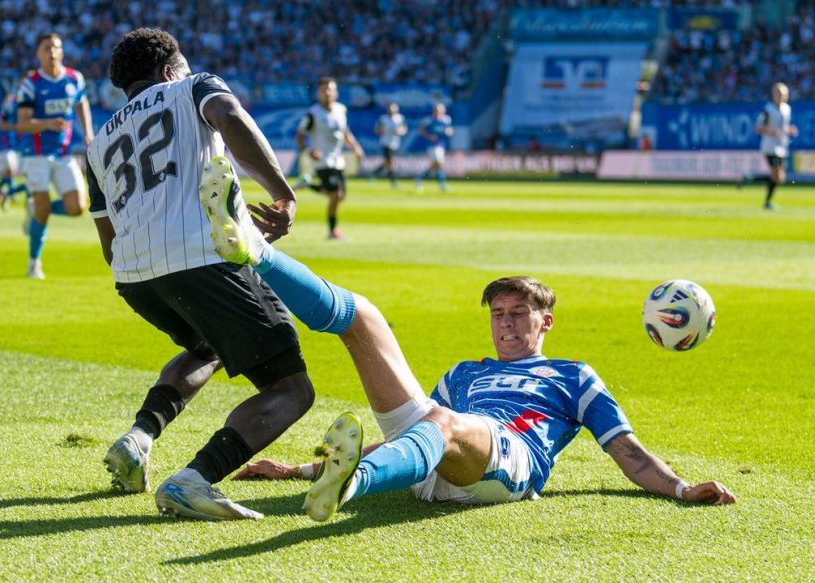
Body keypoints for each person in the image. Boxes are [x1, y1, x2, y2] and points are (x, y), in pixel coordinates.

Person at [198, 184, 737, 522]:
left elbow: (629, 453)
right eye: (498, 313)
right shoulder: (463, 372)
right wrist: (298, 469)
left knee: (443, 421)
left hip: (508, 463)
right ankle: (254, 249)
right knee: (364, 319)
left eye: (519, 313)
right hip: (443, 456)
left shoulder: (574, 376)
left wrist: (681, 488)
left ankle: (349, 486)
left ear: (546, 322)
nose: (506, 323)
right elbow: (418, 438)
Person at [87, 28, 316, 522]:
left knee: (207, 346)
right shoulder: (192, 87)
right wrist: (283, 193)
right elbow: (229, 116)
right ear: (170, 69)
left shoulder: (98, 143)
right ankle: (195, 479)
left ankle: (139, 437)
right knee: (290, 389)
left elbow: (109, 243)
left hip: (133, 275)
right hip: (201, 258)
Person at [15, 32, 94, 279]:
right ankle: (34, 263)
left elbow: (81, 103)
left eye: (56, 47)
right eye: (47, 48)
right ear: (38, 54)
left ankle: (37, 210)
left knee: (77, 207)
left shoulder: (74, 78)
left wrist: (88, 132)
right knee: (43, 208)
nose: (52, 52)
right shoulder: (31, 84)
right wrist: (48, 124)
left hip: (63, 154)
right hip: (35, 155)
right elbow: (22, 123)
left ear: (62, 52)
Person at [294, 77, 364, 239]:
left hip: (337, 159)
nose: (327, 92)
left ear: (336, 92)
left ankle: (307, 184)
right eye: (324, 90)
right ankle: (333, 231)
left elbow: (345, 132)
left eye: (330, 89)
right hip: (322, 159)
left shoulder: (341, 110)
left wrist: (356, 147)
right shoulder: (313, 114)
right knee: (335, 193)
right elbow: (299, 135)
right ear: (318, 94)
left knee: (340, 196)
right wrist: (309, 150)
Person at [0, 77, 29, 211]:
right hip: (5, 148)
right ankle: (9, 193)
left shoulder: (20, 113)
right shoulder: (0, 117)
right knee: (11, 171)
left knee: (10, 173)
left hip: (18, 148)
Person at [755, 82, 797, 211]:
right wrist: (771, 131)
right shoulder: (768, 110)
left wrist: (789, 129)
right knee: (776, 176)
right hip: (770, 147)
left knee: (780, 178)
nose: (781, 96)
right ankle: (767, 202)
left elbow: (782, 127)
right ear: (773, 94)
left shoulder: (787, 109)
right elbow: (758, 128)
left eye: (784, 94)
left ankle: (751, 178)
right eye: (779, 93)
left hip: (782, 146)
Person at [414, 102, 453, 193]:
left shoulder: (446, 120)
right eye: (436, 110)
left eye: (440, 110)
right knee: (439, 164)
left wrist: (449, 132)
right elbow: (421, 130)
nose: (438, 112)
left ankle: (420, 179)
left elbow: (449, 130)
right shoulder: (429, 120)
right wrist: (429, 136)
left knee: (436, 166)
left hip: (441, 145)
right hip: (432, 145)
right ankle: (442, 185)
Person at [372, 101, 407, 188]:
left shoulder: (399, 118)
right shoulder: (383, 118)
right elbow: (376, 130)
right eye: (390, 108)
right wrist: (381, 131)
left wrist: (400, 131)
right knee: (390, 163)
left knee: (387, 162)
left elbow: (404, 128)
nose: (392, 110)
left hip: (395, 142)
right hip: (385, 142)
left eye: (393, 108)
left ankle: (374, 174)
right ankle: (393, 181)